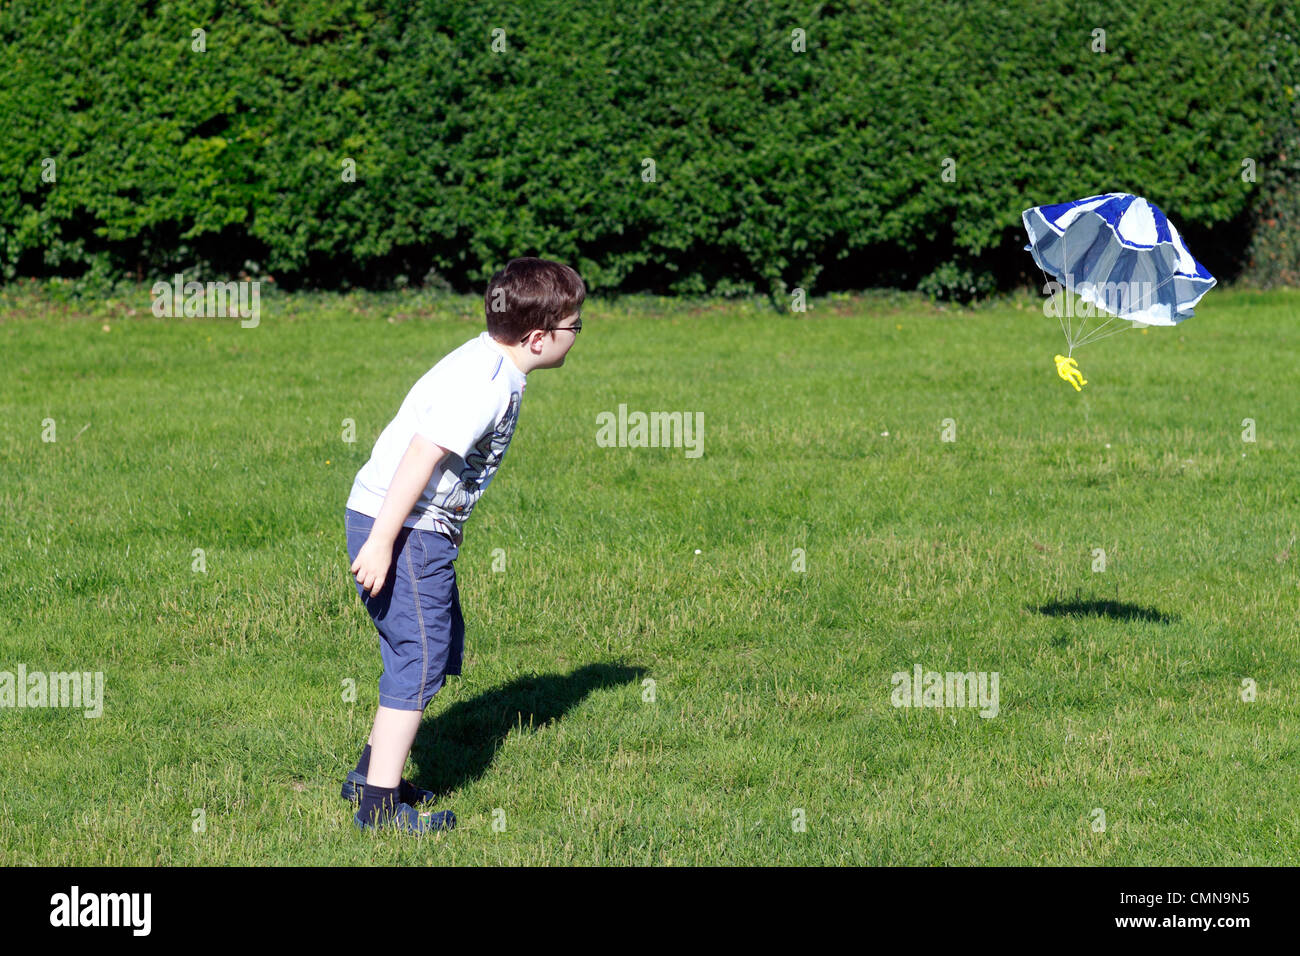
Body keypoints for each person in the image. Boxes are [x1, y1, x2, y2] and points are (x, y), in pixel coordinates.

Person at [341, 257, 585, 832]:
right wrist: (382, 542)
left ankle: (372, 775)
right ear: (537, 337)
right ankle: (378, 809)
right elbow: (422, 454)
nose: (578, 337)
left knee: (432, 650)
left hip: (415, 528)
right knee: (418, 660)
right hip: (405, 529)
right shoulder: (486, 384)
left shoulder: (486, 360)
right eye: (575, 327)